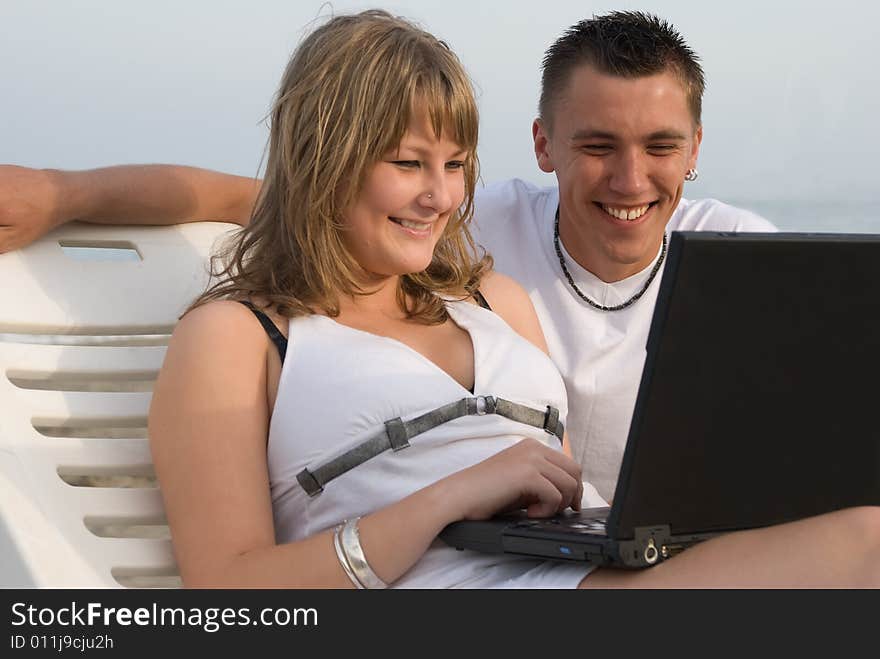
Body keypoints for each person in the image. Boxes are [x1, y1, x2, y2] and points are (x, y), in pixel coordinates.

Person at [3, 9, 880, 588]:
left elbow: (561, 489)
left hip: (577, 570)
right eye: (408, 163)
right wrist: (63, 192)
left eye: (455, 165)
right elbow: (227, 587)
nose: (441, 195)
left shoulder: (490, 295)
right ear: (326, 160)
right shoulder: (240, 336)